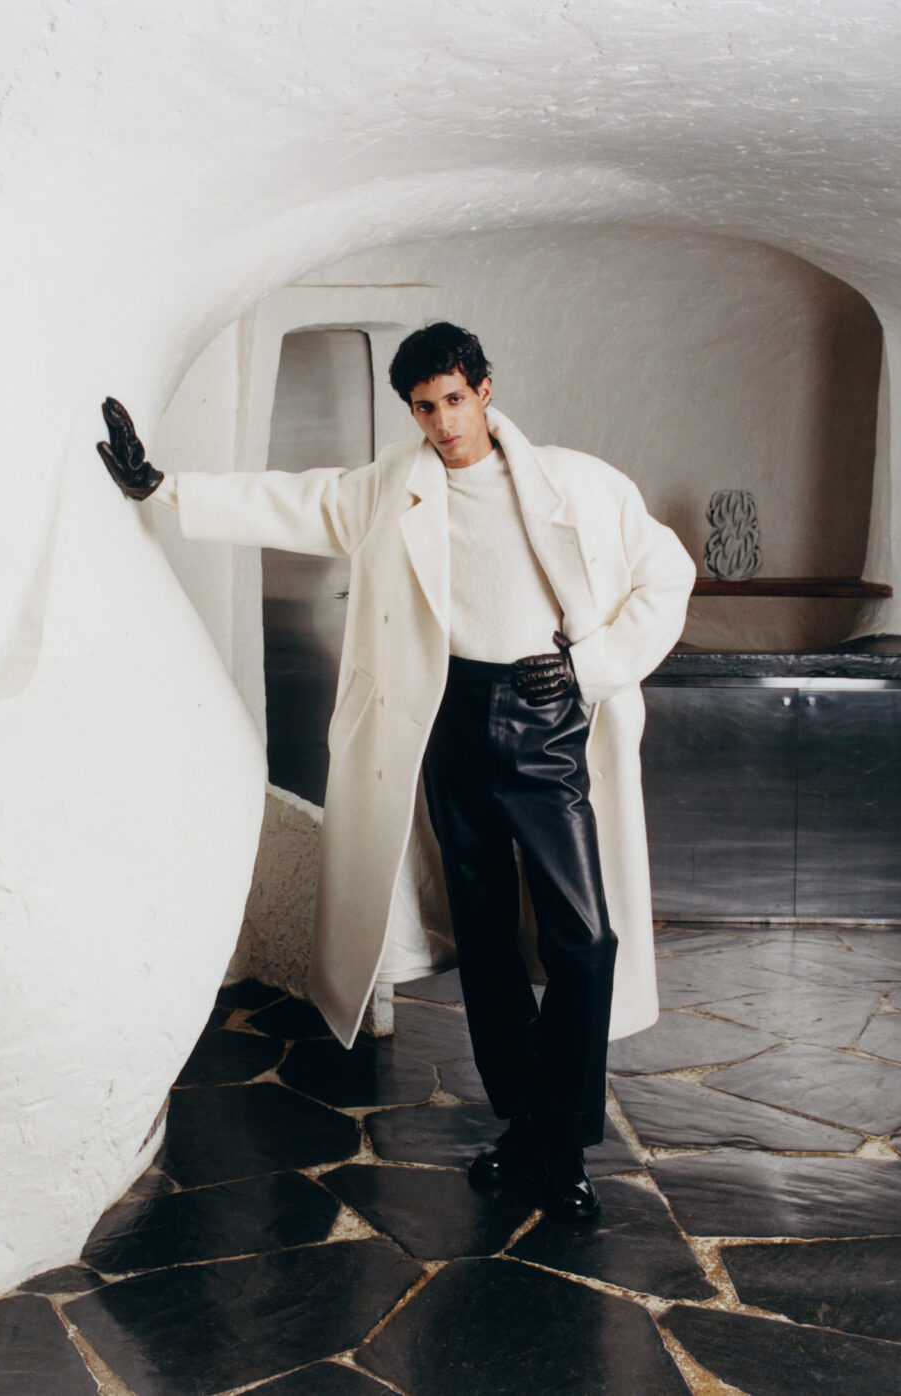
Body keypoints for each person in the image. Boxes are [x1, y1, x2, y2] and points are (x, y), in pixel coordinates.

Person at [99, 323, 694, 1218]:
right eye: (423, 407)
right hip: (450, 723)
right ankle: (525, 1126)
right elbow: (294, 501)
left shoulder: (578, 482)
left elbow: (669, 573)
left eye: (454, 399)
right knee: (486, 942)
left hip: (545, 718)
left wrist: (589, 668)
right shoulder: (392, 488)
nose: (442, 422)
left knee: (583, 939)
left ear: (484, 389)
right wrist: (163, 487)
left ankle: (565, 1141)